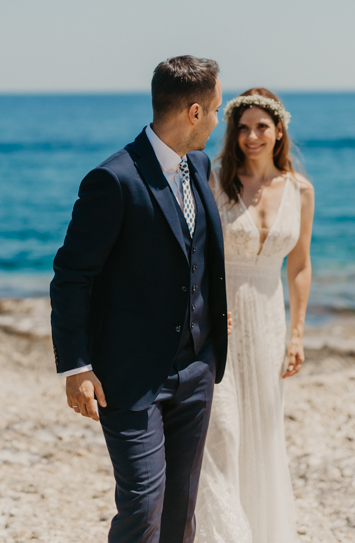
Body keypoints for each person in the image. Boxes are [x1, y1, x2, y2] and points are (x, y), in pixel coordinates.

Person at [50, 56, 229, 543]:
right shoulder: (113, 180)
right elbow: (71, 275)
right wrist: (76, 367)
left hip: (196, 372)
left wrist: (214, 318)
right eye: (215, 109)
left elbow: (197, 253)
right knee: (142, 509)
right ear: (193, 112)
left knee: (180, 513)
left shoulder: (199, 163)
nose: (218, 119)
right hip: (128, 377)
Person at [195, 88, 314, 543]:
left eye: (261, 126)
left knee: (262, 434)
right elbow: (196, 255)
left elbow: (300, 266)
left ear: (279, 130)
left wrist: (298, 334)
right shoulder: (215, 180)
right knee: (222, 431)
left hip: (268, 324)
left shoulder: (301, 191)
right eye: (242, 127)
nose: (251, 136)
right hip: (220, 322)